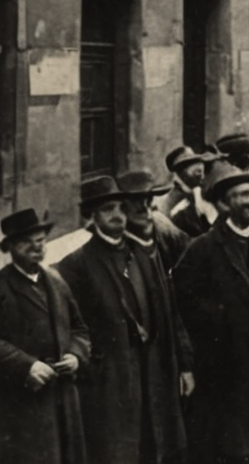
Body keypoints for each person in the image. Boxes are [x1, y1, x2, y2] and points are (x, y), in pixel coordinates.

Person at [57, 176, 189, 464]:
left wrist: (184, 365)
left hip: (153, 371)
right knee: (118, 451)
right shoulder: (75, 266)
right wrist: (90, 360)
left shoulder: (142, 253)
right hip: (111, 380)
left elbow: (169, 313)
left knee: (153, 447)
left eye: (119, 207)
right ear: (91, 217)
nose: (117, 215)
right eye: (107, 210)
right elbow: (70, 328)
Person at [173, 160, 249, 464]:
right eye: (239, 196)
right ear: (225, 203)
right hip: (227, 363)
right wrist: (225, 317)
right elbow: (182, 299)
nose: (247, 202)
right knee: (233, 444)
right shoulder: (204, 248)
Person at [0, 207, 90, 464]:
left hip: (64, 396)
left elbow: (79, 329)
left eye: (40, 241)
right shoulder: (3, 286)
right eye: (27, 243)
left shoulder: (56, 281)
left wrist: (76, 355)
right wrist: (26, 365)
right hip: (23, 401)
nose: (36, 248)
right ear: (12, 248)